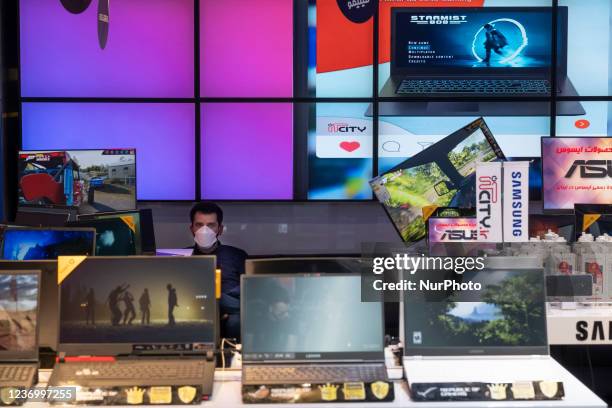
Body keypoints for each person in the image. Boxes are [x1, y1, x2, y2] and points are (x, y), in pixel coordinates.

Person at [189, 202, 248, 340]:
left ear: (220, 229)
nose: (204, 230)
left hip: (230, 314)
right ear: (191, 228)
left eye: (210, 225)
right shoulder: (181, 256)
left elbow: (248, 292)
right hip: (193, 308)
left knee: (236, 318)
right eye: (199, 225)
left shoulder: (237, 255)